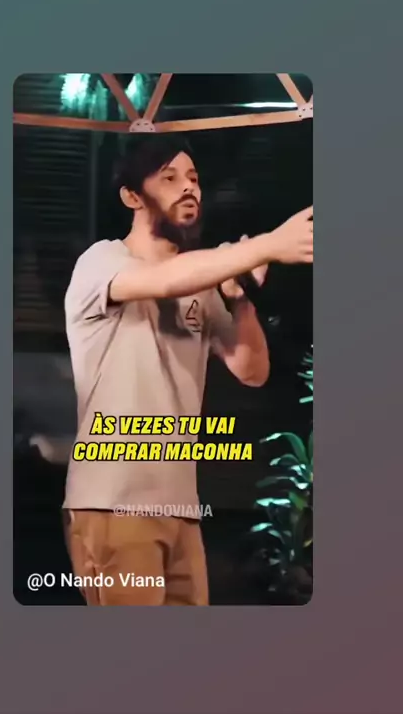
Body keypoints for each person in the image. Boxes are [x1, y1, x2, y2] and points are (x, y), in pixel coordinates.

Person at [63, 134, 313, 606]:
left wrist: (239, 299)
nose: (189, 188)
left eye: (194, 179)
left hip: (180, 506)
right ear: (132, 196)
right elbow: (160, 281)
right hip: (113, 502)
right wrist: (267, 245)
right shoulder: (102, 261)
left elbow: (252, 370)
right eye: (170, 178)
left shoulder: (200, 278)